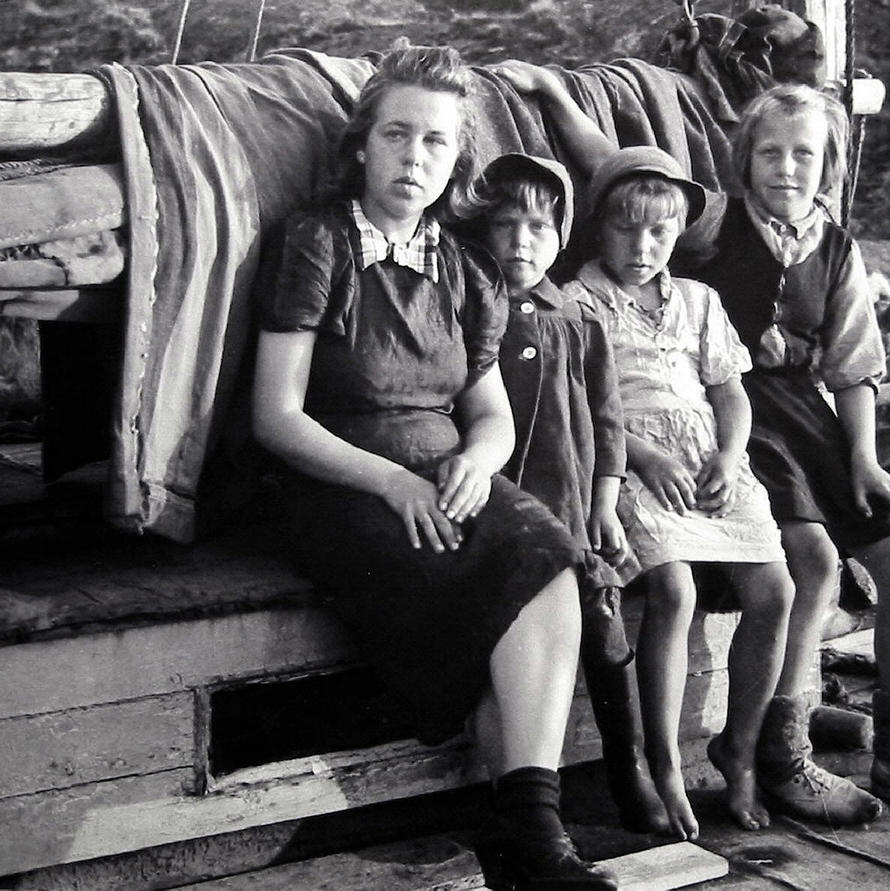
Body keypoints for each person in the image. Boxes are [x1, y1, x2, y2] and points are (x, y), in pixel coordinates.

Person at [495, 62, 890, 826]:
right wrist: (558, 100)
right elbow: (615, 176)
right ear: (743, 160)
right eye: (770, 153)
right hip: (729, 414)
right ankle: (781, 752)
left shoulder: (837, 247)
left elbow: (853, 367)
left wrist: (864, 457)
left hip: (802, 414)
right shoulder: (711, 222)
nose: (787, 168)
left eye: (806, 155)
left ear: (830, 165)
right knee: (814, 560)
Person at [251, 44, 617, 889]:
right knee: (504, 589)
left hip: (445, 471)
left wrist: (481, 462)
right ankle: (530, 842)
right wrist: (390, 480)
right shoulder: (318, 241)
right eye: (397, 135)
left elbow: (488, 412)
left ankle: (530, 833)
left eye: (437, 143)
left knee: (553, 561)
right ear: (362, 145)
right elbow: (275, 414)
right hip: (340, 475)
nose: (414, 159)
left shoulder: (464, 265)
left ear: (457, 159)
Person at [563, 145, 797, 842]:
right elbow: (578, 401)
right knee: (674, 589)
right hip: (626, 457)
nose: (642, 247)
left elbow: (730, 391)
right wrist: (641, 453)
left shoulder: (698, 300)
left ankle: (740, 749)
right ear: (599, 228)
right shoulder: (580, 300)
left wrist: (730, 454)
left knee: (775, 590)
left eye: (659, 233)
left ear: (677, 235)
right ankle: (662, 761)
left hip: (707, 459)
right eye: (626, 230)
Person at [465, 152, 669, 834]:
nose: (522, 242)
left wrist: (606, 501)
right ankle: (515, 796)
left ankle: (629, 765)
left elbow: (609, 423)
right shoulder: (472, 307)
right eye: (506, 225)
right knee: (506, 631)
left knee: (605, 632)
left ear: (562, 237)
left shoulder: (578, 318)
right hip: (505, 508)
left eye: (539, 228)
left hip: (573, 507)